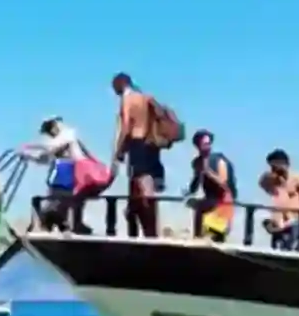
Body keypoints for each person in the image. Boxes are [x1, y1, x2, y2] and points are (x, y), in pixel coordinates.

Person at [111, 73, 178, 239]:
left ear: (121, 84)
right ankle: (147, 229)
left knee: (144, 188)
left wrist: (119, 150)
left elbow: (127, 126)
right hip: (151, 146)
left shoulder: (128, 99)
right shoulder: (146, 97)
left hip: (138, 144)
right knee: (140, 190)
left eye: (115, 87)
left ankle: (150, 233)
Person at [19, 115, 98, 233]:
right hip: (65, 174)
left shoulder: (68, 135)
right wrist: (28, 156)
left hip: (70, 172)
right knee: (61, 203)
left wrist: (31, 146)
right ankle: (62, 225)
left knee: (61, 201)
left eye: (48, 129)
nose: (48, 134)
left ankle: (67, 224)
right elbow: (46, 158)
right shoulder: (59, 140)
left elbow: (53, 148)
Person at [260, 150, 299, 252]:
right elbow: (263, 183)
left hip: (294, 225)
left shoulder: (298, 180)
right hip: (279, 227)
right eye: (271, 167)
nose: (273, 170)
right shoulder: (275, 182)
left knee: (291, 249)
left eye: (275, 166)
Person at [184, 130, 236, 243]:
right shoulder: (197, 162)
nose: (207, 147)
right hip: (209, 201)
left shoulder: (219, 160)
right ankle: (197, 238)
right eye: (204, 144)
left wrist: (208, 172)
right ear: (198, 146)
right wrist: (188, 193)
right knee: (199, 208)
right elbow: (195, 186)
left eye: (209, 144)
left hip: (223, 202)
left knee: (216, 236)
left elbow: (224, 184)